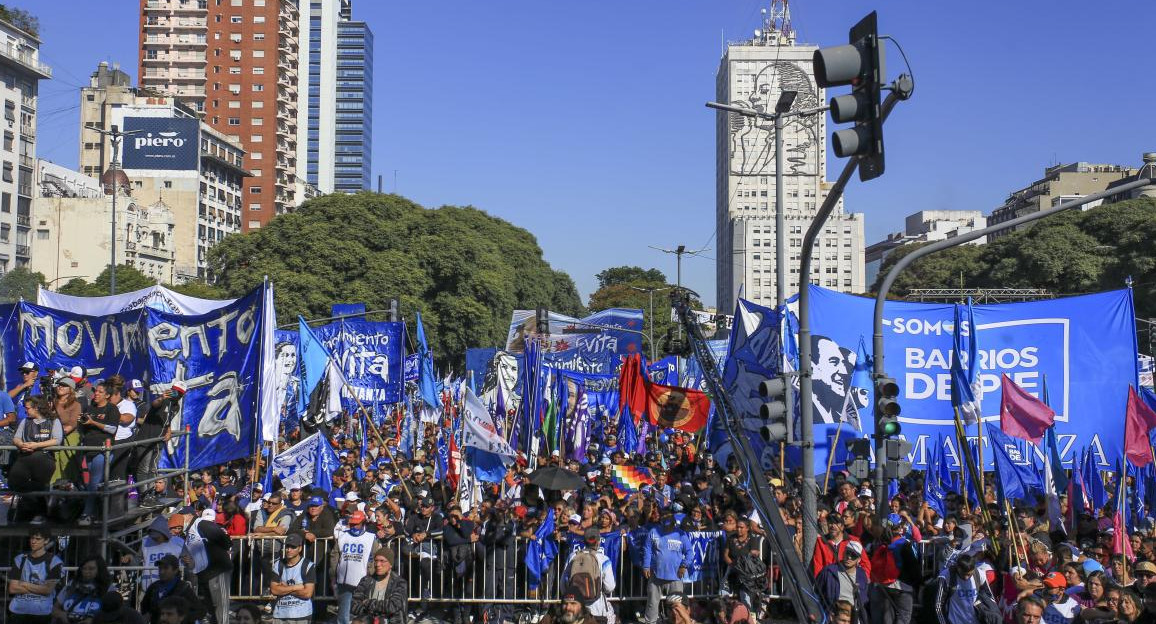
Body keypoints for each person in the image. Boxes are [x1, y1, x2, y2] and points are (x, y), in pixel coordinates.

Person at [9, 395, 63, 522]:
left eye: (27, 408)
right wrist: (21, 444)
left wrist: (36, 445)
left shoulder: (54, 421)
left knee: (40, 484)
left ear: (37, 408)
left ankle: (37, 513)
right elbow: (16, 438)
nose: (25, 411)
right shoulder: (25, 421)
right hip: (25, 455)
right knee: (14, 481)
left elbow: (57, 440)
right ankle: (36, 508)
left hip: (44, 457)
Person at [77, 381, 120, 526]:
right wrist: (82, 423)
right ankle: (96, 512)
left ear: (107, 395)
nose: (96, 394)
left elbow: (113, 429)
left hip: (102, 450)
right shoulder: (89, 408)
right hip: (88, 449)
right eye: (96, 391)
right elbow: (83, 429)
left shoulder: (112, 409)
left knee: (94, 482)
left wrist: (93, 423)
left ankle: (87, 514)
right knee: (91, 484)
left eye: (100, 392)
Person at [640, 509, 692, 624]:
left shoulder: (681, 534)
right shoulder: (653, 531)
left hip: (675, 576)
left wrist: (684, 565)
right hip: (656, 575)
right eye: (665, 525)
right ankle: (650, 622)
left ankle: (678, 622)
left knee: (677, 605)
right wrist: (646, 566)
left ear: (674, 522)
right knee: (652, 602)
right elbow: (647, 549)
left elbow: (689, 552)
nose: (667, 528)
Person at [868, 516, 920, 624]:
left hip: (883, 585)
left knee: (887, 618)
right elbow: (913, 567)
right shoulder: (903, 544)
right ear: (900, 527)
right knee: (903, 617)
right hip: (903, 586)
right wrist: (917, 583)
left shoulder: (879, 543)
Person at [185, 508, 233, 624]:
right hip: (206, 573)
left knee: (220, 605)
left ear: (189, 515)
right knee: (212, 606)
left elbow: (224, 540)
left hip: (218, 570)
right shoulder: (189, 530)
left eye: (182, 516)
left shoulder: (202, 523)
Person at [7, 527, 63, 624]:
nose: (33, 541)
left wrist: (24, 583)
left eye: (38, 539)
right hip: (18, 611)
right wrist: (40, 588)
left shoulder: (54, 562)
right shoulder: (20, 559)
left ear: (46, 540)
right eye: (32, 538)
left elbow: (47, 590)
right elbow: (12, 588)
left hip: (41, 613)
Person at [564, 526, 617, 624]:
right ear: (598, 541)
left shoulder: (572, 557)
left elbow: (563, 585)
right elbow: (610, 587)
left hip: (576, 609)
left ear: (584, 541)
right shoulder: (604, 559)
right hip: (597, 609)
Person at [333, 510, 378, 624]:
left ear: (363, 523)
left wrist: (372, 573)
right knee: (344, 615)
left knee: (364, 615)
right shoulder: (342, 536)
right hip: (345, 581)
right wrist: (333, 576)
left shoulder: (371, 538)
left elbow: (376, 557)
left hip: (364, 581)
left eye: (356, 524)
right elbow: (334, 557)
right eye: (352, 523)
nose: (353, 526)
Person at [933, 553, 999, 624]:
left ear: (974, 569)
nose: (966, 577)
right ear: (957, 568)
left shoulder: (979, 575)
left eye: (969, 574)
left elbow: (990, 598)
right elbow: (938, 605)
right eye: (963, 574)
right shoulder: (946, 577)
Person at [816, 540, 869, 623]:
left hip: (854, 618)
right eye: (848, 553)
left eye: (853, 555)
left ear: (858, 560)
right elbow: (815, 594)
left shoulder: (862, 576)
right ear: (843, 553)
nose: (849, 557)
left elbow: (864, 601)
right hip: (834, 617)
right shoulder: (829, 571)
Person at [139, 555, 202, 624]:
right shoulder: (153, 587)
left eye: (166, 568)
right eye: (160, 568)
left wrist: (180, 618)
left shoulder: (183, 588)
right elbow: (144, 606)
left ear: (175, 570)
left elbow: (200, 611)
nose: (161, 571)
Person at [351, 547, 408, 624]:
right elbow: (354, 605)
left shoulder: (399, 583)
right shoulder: (366, 580)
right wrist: (373, 615)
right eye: (376, 561)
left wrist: (368, 602)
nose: (378, 564)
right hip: (369, 620)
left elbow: (393, 606)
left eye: (382, 561)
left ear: (390, 564)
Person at [269, 532, 316, 624]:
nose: (289, 550)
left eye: (293, 547)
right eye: (287, 546)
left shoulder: (308, 566)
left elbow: (307, 593)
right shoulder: (278, 565)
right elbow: (274, 590)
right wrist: (296, 587)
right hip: (280, 614)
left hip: (302, 614)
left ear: (300, 548)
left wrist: (284, 588)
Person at [50, 554, 110, 624]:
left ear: (100, 569)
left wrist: (93, 620)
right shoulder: (72, 585)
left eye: (91, 569)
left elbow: (113, 614)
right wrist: (62, 615)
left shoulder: (108, 588)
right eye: (84, 568)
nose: (87, 572)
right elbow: (54, 608)